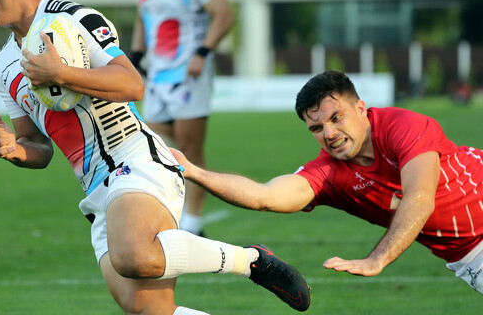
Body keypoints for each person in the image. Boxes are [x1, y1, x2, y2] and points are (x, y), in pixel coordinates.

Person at [0, 0, 311, 315]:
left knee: (134, 257)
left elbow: (131, 84)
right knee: (149, 310)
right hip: (95, 189)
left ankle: (250, 261)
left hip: (136, 161)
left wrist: (61, 74)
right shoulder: (3, 65)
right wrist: (16, 150)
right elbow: (38, 146)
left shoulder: (73, 19)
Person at [172, 70, 483, 294]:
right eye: (316, 128)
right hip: (469, 254)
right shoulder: (328, 173)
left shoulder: (403, 126)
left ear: (361, 109)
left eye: (337, 118)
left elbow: (420, 198)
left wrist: (378, 259)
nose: (329, 134)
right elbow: (264, 196)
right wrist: (193, 172)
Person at [131, 0, 235, 236]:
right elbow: (142, 20)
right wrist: (134, 57)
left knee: (190, 147)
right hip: (157, 76)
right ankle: (179, 208)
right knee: (155, 140)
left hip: (189, 74)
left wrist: (203, 52)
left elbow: (225, 15)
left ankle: (193, 222)